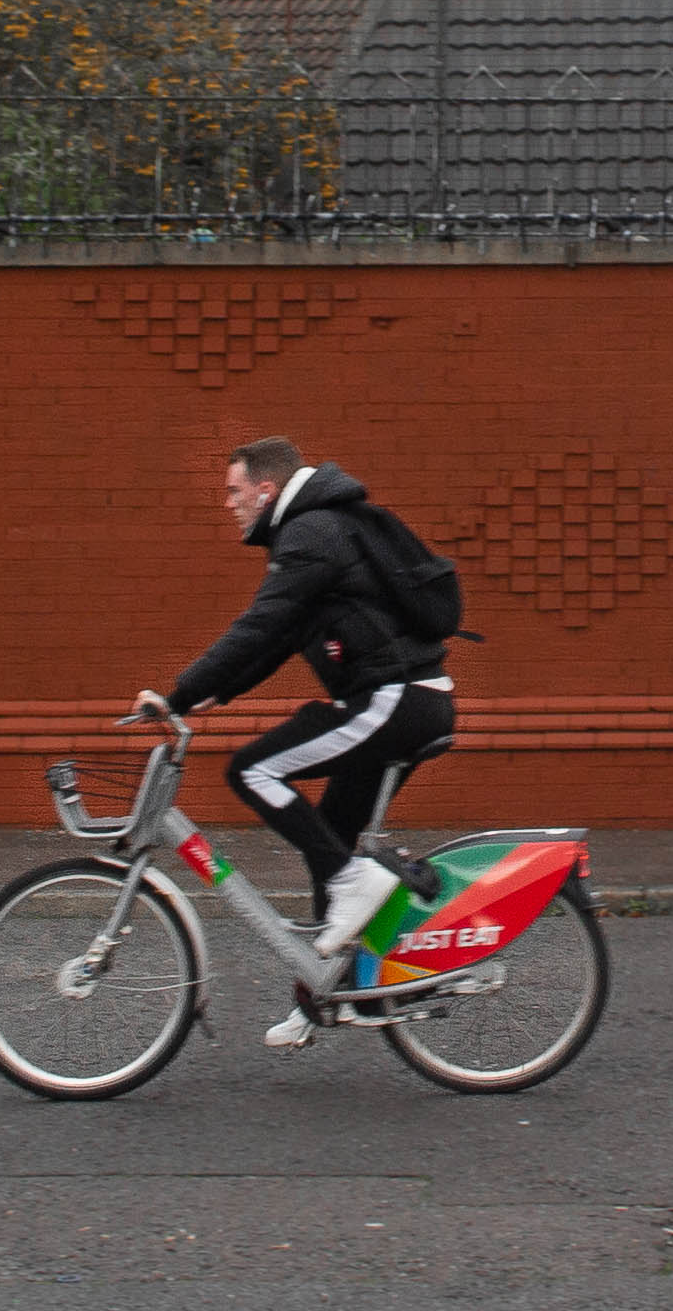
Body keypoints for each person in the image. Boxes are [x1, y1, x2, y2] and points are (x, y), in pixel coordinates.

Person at [122, 435, 454, 1047]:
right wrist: (200, 696)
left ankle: (357, 894)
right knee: (329, 838)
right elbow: (279, 639)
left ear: (266, 489)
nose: (229, 504)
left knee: (252, 770)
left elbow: (261, 624)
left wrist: (176, 693)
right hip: (403, 699)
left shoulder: (311, 534)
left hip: (393, 700)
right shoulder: (318, 532)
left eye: (233, 490)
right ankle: (330, 989)